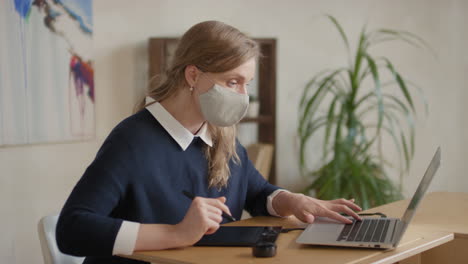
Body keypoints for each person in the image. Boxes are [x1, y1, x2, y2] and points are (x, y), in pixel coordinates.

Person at [56, 20, 362, 264]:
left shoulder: (219, 136)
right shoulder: (132, 141)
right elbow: (72, 230)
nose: (243, 96)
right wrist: (177, 234)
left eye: (247, 84)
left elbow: (258, 193)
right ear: (193, 75)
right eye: (233, 82)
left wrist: (292, 201)